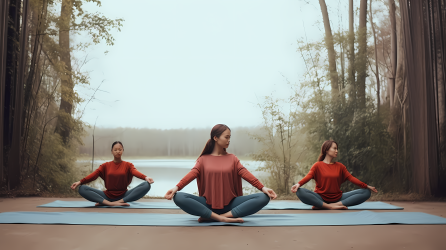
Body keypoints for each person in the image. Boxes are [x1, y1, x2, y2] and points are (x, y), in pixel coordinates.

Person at [164, 124, 277, 223]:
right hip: (207, 205)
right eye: (226, 137)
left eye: (229, 137)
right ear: (215, 138)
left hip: (231, 205)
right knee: (178, 197)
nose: (229, 140)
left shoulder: (232, 158)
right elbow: (192, 174)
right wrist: (176, 187)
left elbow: (245, 174)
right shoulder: (203, 159)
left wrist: (263, 188)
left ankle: (219, 217)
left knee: (264, 197)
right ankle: (221, 218)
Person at [291, 140, 378, 210]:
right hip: (320, 197)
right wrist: (298, 184)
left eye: (337, 149)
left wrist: (367, 186)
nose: (337, 151)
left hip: (338, 198)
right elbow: (308, 176)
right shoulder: (317, 165)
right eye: (334, 148)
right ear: (327, 150)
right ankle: (329, 206)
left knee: (366, 192)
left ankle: (330, 205)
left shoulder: (340, 166)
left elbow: (351, 178)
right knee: (300, 191)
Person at [70, 141, 154, 206]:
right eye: (115, 150)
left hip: (124, 195)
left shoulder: (128, 165)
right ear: (112, 151)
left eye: (120, 149)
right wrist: (80, 182)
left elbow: (135, 172)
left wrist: (145, 177)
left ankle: (117, 202)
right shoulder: (105, 166)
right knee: (82, 188)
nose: (118, 151)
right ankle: (110, 203)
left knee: (146, 185)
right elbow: (94, 175)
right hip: (107, 196)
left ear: (123, 151)